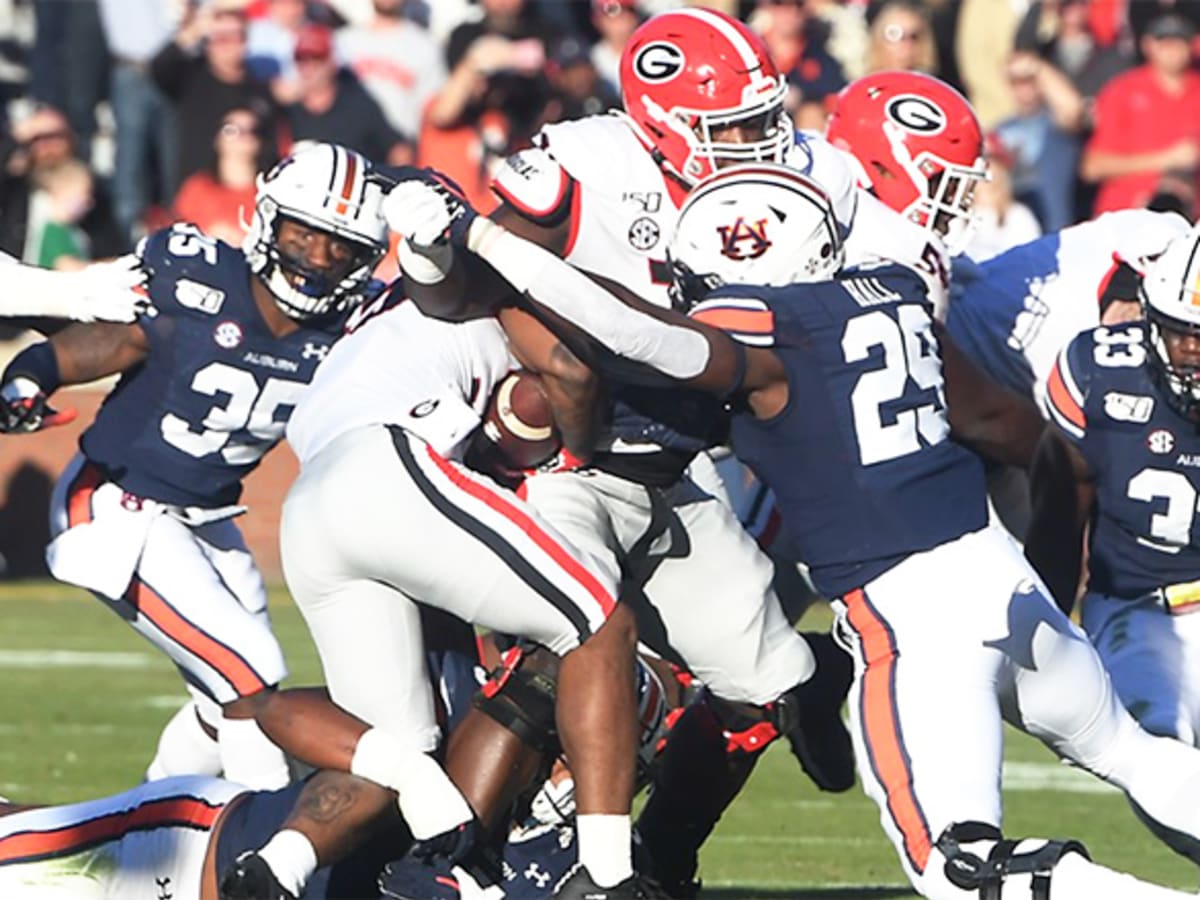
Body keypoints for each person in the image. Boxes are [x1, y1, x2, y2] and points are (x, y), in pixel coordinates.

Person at [393, 159, 1200, 900]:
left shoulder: (767, 335)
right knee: (1134, 755)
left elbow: (637, 332)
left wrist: (480, 231)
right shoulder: (896, 294)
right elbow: (1025, 437)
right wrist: (1045, 583)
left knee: (956, 866)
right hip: (999, 575)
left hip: (910, 613)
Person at [402, 9, 868, 895]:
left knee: (767, 682)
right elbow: (470, 287)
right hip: (563, 453)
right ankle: (467, 870)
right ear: (661, 121)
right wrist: (436, 262)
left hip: (682, 462)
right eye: (729, 126)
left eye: (759, 121)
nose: (753, 142)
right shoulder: (590, 160)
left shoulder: (791, 178)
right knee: (571, 647)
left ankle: (658, 864)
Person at [261, 189, 656, 897]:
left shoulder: (370, 326)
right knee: (597, 619)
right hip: (389, 468)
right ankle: (606, 874)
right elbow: (562, 375)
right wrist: (578, 448)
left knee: (387, 748)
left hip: (312, 505)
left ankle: (277, 867)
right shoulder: (501, 290)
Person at [0, 142, 389, 794]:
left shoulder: (358, 324)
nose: (318, 259)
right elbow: (117, 336)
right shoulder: (200, 279)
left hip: (206, 517)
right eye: (305, 233)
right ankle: (257, 846)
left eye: (340, 246)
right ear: (269, 219)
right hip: (117, 504)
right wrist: (31, 374)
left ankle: (137, 832)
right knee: (250, 675)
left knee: (222, 700)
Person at [1028, 224, 1200, 764]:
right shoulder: (1099, 376)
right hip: (1136, 608)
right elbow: (1059, 515)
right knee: (1157, 751)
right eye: (1181, 331)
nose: (1193, 349)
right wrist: (1046, 643)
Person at [1081, 12, 1200, 219]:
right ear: (1147, 45)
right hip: (1126, 216)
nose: (1171, 49)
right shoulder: (1122, 90)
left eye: (1178, 42)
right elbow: (1093, 167)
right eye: (1163, 42)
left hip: (1189, 221)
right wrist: (1167, 159)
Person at [173, 106, 273, 247]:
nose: (242, 136)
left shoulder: (270, 193)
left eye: (252, 130)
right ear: (217, 138)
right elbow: (176, 236)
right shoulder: (197, 188)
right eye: (231, 130)